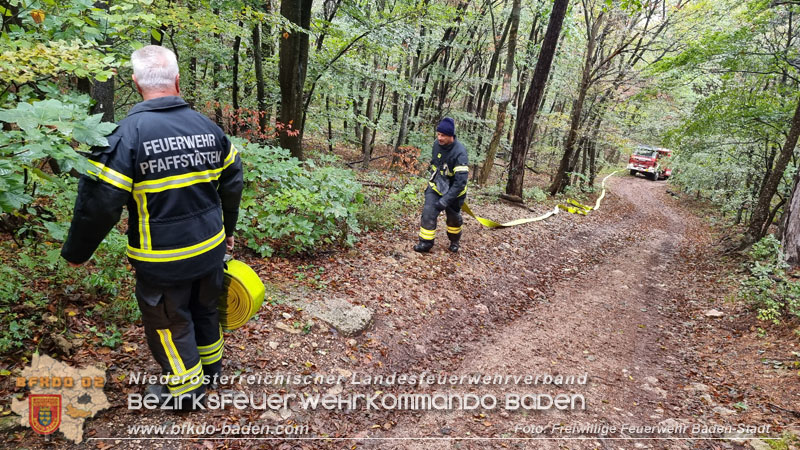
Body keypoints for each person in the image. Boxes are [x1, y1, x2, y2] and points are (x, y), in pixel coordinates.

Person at [61, 45, 243, 410]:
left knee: (169, 322)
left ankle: (186, 392)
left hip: (162, 258)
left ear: (136, 82)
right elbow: (233, 181)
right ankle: (211, 372)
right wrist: (230, 229)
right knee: (205, 308)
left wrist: (77, 253)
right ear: (177, 80)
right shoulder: (209, 129)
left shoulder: (124, 137)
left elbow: (99, 205)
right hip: (211, 248)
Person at [414, 117, 469, 253]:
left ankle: (454, 241)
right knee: (428, 213)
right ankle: (425, 243)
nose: (439, 138)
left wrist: (445, 200)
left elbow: (460, 183)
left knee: (453, 220)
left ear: (451, 136)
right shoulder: (436, 145)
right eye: (438, 134)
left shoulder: (460, 153)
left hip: (455, 193)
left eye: (443, 135)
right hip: (436, 187)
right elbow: (435, 164)